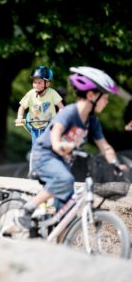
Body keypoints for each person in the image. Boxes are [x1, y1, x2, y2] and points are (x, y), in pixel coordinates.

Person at [17, 66, 127, 229]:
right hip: (46, 155)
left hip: (63, 161)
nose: (107, 101)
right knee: (65, 180)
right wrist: (58, 144)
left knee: (65, 213)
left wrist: (115, 164)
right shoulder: (69, 112)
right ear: (91, 95)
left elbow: (105, 147)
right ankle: (28, 208)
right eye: (104, 97)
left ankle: (58, 241)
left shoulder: (92, 121)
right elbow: (57, 131)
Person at [15, 66, 64, 145]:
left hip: (50, 126)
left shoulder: (52, 93)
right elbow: (22, 107)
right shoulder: (31, 94)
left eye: (39, 82)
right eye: (34, 82)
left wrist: (60, 117)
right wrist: (19, 117)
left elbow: (61, 107)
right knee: (36, 147)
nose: (36, 85)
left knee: (51, 145)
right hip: (35, 127)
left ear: (47, 83)